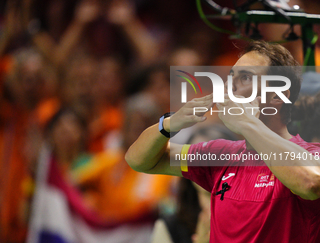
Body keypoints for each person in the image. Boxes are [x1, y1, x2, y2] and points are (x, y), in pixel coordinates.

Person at [125, 40, 320, 243]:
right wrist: (170, 124)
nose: (229, 87)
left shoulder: (311, 155)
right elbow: (139, 160)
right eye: (230, 77)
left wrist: (248, 124)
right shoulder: (220, 155)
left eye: (245, 77)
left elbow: (310, 183)